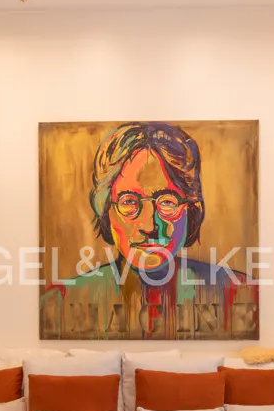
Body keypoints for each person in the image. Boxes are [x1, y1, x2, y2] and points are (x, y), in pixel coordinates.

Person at [40, 122, 257, 339]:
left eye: (167, 202)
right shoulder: (59, 302)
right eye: (129, 202)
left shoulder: (239, 293)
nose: (150, 226)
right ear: (106, 210)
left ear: (191, 209)